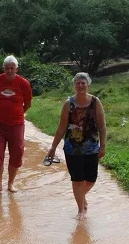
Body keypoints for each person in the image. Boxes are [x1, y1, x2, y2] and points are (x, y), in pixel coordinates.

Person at [46, 72, 107, 219]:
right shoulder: (69, 103)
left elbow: (102, 126)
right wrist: (53, 147)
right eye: (78, 83)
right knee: (77, 179)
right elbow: (61, 127)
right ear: (74, 85)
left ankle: (81, 196)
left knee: (91, 178)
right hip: (72, 148)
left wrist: (103, 146)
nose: (80, 85)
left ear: (88, 85)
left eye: (83, 83)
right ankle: (81, 209)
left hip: (92, 146)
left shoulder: (95, 102)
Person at [0, 55, 33, 193]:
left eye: (12, 68)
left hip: (16, 125)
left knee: (17, 153)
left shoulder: (23, 83)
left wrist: (18, 112)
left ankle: (11, 183)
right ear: (3, 68)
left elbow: (28, 103)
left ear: (16, 69)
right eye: (7, 68)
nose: (9, 70)